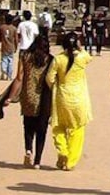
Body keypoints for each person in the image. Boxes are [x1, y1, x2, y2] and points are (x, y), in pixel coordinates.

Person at [46, 31, 92, 171]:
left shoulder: (58, 59)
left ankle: (63, 152)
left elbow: (49, 78)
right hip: (79, 98)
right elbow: (88, 56)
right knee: (77, 129)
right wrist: (79, 47)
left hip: (62, 97)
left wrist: (55, 86)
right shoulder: (83, 57)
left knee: (58, 126)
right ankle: (70, 161)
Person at [6, 34, 53, 168]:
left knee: (28, 126)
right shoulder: (50, 60)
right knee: (41, 130)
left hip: (27, 96)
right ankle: (37, 161)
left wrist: (10, 97)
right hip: (44, 99)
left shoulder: (25, 57)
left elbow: (19, 78)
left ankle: (28, 150)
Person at [0, 14, 18, 80]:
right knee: (10, 61)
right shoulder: (14, 28)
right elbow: (16, 39)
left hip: (4, 47)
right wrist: (16, 47)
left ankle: (4, 71)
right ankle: (9, 75)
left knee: (3, 60)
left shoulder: (2, 27)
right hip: (11, 47)